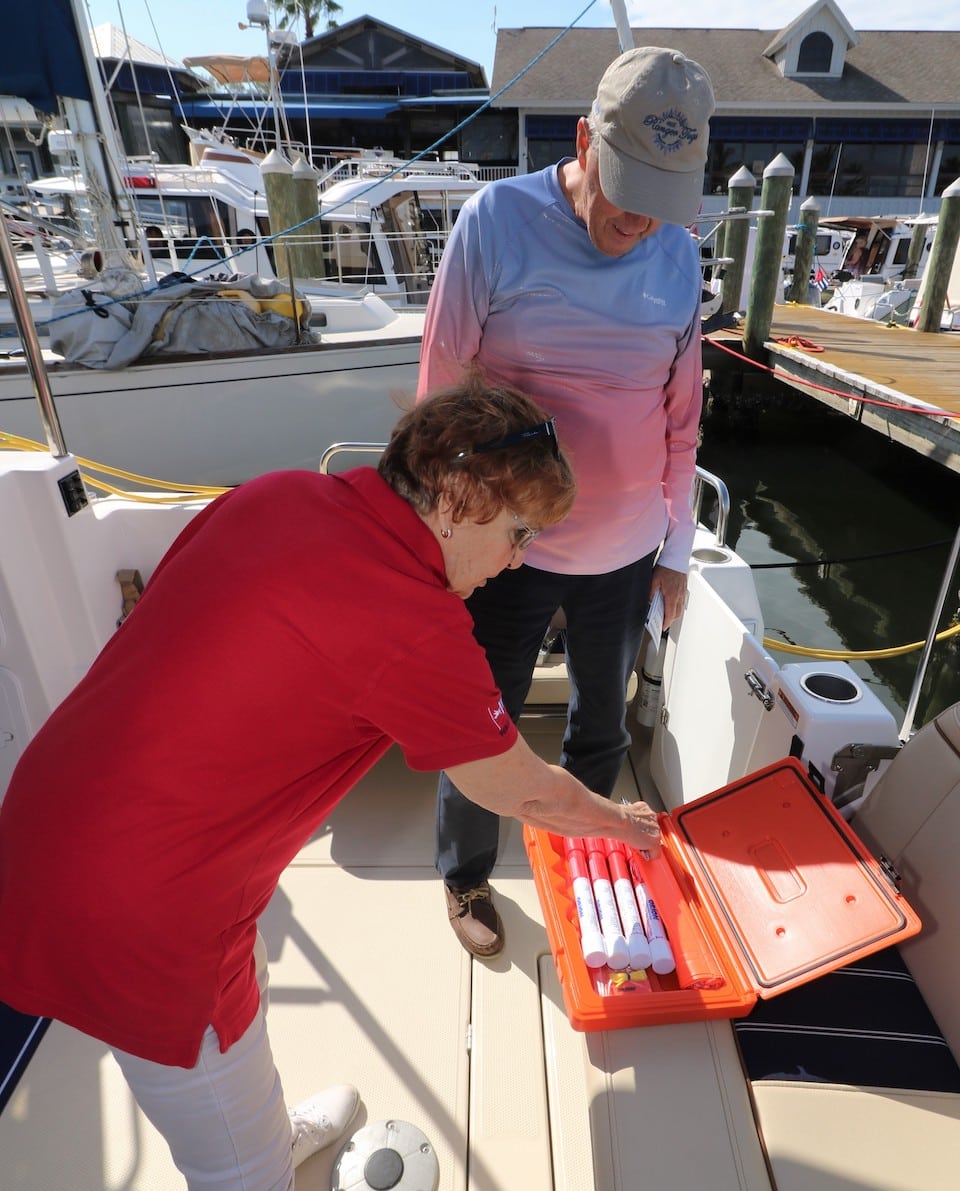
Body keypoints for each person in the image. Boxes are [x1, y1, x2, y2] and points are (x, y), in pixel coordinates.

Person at [0, 373, 662, 1191]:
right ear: (457, 495)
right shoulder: (415, 623)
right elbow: (521, 790)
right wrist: (623, 821)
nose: (520, 559)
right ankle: (257, 1159)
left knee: (243, 1002)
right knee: (232, 1167)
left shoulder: (277, 495)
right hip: (150, 911)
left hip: (47, 810)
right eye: (520, 532)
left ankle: (267, 1129)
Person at [417, 46, 715, 958]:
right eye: (627, 190)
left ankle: (584, 858)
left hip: (625, 551)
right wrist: (443, 547)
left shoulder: (680, 256)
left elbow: (682, 423)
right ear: (584, 140)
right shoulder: (496, 221)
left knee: (599, 719)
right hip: (508, 549)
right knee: (482, 721)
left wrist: (673, 552)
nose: (640, 222)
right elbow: (439, 394)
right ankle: (466, 872)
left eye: (664, 202)